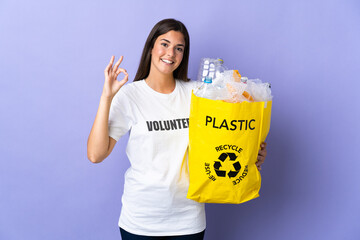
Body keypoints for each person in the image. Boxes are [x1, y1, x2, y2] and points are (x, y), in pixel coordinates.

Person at [87, 18, 267, 240]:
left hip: (187, 220)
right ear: (151, 47)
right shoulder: (130, 95)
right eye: (164, 44)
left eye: (178, 48)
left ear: (183, 55)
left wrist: (251, 153)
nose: (170, 53)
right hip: (140, 220)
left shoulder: (199, 94)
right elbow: (96, 154)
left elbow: (224, 139)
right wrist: (107, 97)